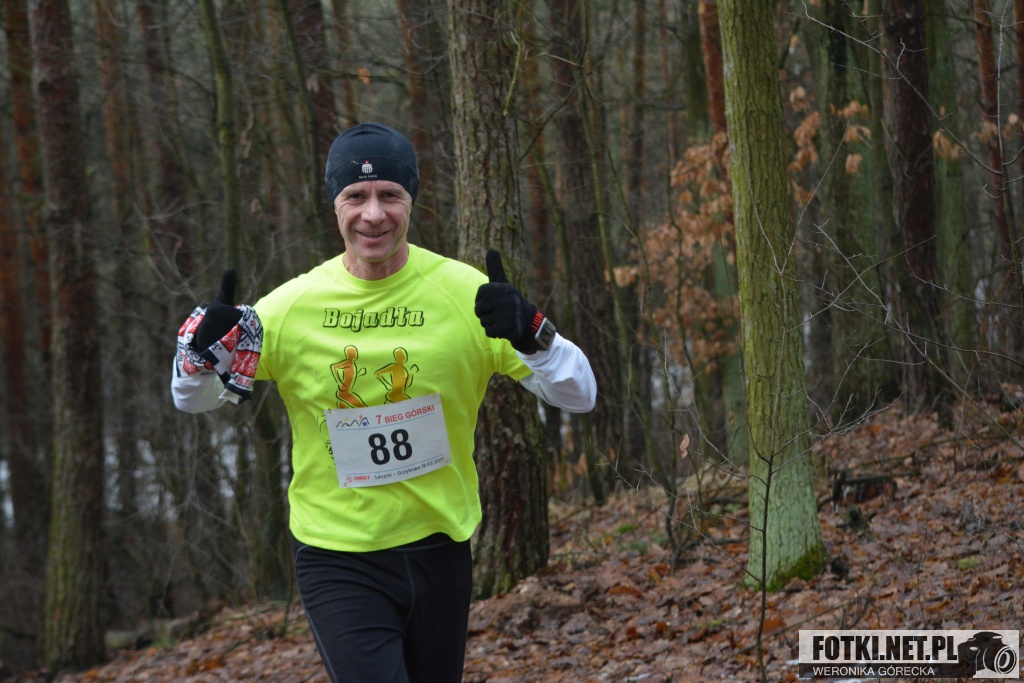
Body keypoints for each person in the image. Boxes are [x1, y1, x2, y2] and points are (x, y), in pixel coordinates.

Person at [170, 121, 596, 683]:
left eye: (390, 194)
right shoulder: (289, 308)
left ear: (411, 199)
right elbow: (193, 400)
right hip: (336, 555)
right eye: (356, 196)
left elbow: (580, 394)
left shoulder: (465, 294)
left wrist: (531, 333)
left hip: (440, 546)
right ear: (335, 204)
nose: (373, 214)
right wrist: (199, 355)